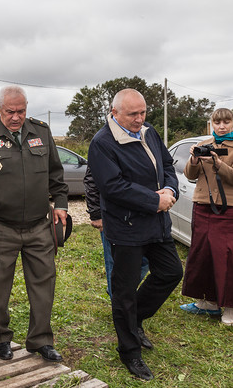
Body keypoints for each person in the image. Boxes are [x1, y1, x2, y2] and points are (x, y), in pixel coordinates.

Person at [0, 85, 69, 363]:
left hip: (38, 226)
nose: (16, 117)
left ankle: (41, 340)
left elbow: (56, 175)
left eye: (21, 111)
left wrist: (61, 203)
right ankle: (0, 338)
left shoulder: (41, 132)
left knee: (44, 285)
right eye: (10, 111)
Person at [88, 88, 183, 381]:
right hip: (126, 226)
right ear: (114, 112)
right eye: (133, 114)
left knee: (170, 272)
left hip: (156, 225)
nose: (139, 119)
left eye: (143, 113)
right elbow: (112, 186)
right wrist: (154, 200)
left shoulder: (149, 132)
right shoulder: (102, 143)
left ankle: (134, 319)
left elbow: (167, 165)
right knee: (124, 290)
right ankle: (129, 351)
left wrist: (169, 190)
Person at [180, 108, 233, 326]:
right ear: (211, 124)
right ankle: (209, 302)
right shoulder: (205, 143)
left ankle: (230, 307)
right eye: (217, 122)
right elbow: (190, 174)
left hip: (230, 209)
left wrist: (218, 163)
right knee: (202, 255)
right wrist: (194, 159)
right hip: (203, 204)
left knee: (231, 258)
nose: (221, 126)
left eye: (226, 122)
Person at [84, 166, 149, 297]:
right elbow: (91, 179)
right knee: (115, 262)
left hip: (140, 212)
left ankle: (118, 291)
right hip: (112, 215)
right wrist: (96, 213)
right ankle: (118, 302)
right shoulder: (104, 145)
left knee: (146, 260)